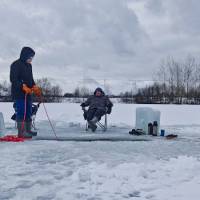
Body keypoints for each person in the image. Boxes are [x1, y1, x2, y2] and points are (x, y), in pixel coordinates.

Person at [10, 47, 42, 138]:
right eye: (30, 57)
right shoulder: (15, 64)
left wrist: (34, 86)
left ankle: (28, 130)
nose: (31, 59)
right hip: (19, 93)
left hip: (28, 93)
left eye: (32, 57)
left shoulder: (29, 66)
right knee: (21, 111)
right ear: (25, 55)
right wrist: (22, 86)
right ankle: (21, 132)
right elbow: (13, 79)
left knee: (28, 111)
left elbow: (30, 79)